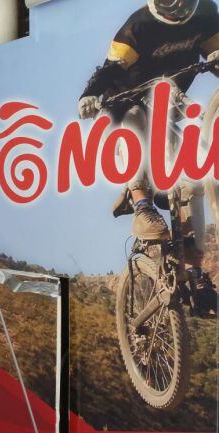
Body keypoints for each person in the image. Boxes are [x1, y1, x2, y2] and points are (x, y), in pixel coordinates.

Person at [78, 0, 219, 311]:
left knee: (193, 177)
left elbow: (214, 51)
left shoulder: (206, 13)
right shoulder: (136, 27)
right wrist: (88, 94)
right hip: (126, 102)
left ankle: (196, 273)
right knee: (134, 118)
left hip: (166, 108)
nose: (177, 4)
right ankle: (141, 205)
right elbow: (108, 69)